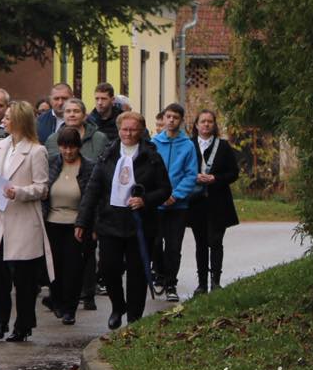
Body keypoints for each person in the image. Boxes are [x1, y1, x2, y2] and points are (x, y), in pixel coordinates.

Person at [78, 111, 169, 330]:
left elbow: (165, 189)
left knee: (137, 273)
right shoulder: (108, 155)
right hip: (110, 223)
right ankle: (118, 306)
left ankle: (134, 319)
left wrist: (145, 200)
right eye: (124, 129)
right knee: (109, 269)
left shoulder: (152, 156)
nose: (128, 133)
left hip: (140, 225)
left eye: (133, 129)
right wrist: (82, 220)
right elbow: (93, 189)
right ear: (119, 130)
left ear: (141, 131)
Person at [0, 101, 50, 342]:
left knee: (23, 277)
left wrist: (18, 192)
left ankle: (23, 324)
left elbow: (42, 187)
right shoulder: (0, 146)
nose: (3, 121)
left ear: (20, 121)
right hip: (0, 218)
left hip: (22, 219)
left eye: (8, 117)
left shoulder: (36, 151)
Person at [43, 125, 96, 325]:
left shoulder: (89, 166)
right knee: (54, 267)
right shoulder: (52, 164)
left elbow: (92, 198)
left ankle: (70, 309)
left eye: (72, 147)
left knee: (73, 269)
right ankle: (57, 301)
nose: (68, 152)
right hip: (52, 222)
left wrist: (91, 226)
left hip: (76, 224)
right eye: (64, 147)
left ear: (78, 147)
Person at [186, 109, 241, 294]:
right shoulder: (189, 145)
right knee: (200, 243)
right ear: (196, 125)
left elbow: (233, 172)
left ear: (214, 125)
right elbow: (182, 170)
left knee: (215, 241)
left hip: (218, 201)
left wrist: (215, 178)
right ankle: (201, 283)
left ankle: (215, 282)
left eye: (210, 121)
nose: (206, 124)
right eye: (203, 121)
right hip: (196, 202)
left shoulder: (223, 146)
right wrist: (194, 177)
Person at [150, 102, 200, 302]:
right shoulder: (154, 143)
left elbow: (191, 174)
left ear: (180, 120)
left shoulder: (187, 145)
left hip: (178, 205)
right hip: (157, 204)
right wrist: (158, 195)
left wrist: (176, 195)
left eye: (175, 117)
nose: (171, 120)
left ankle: (171, 282)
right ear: (163, 118)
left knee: (173, 246)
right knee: (155, 243)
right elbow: (149, 172)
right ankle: (160, 273)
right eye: (168, 117)